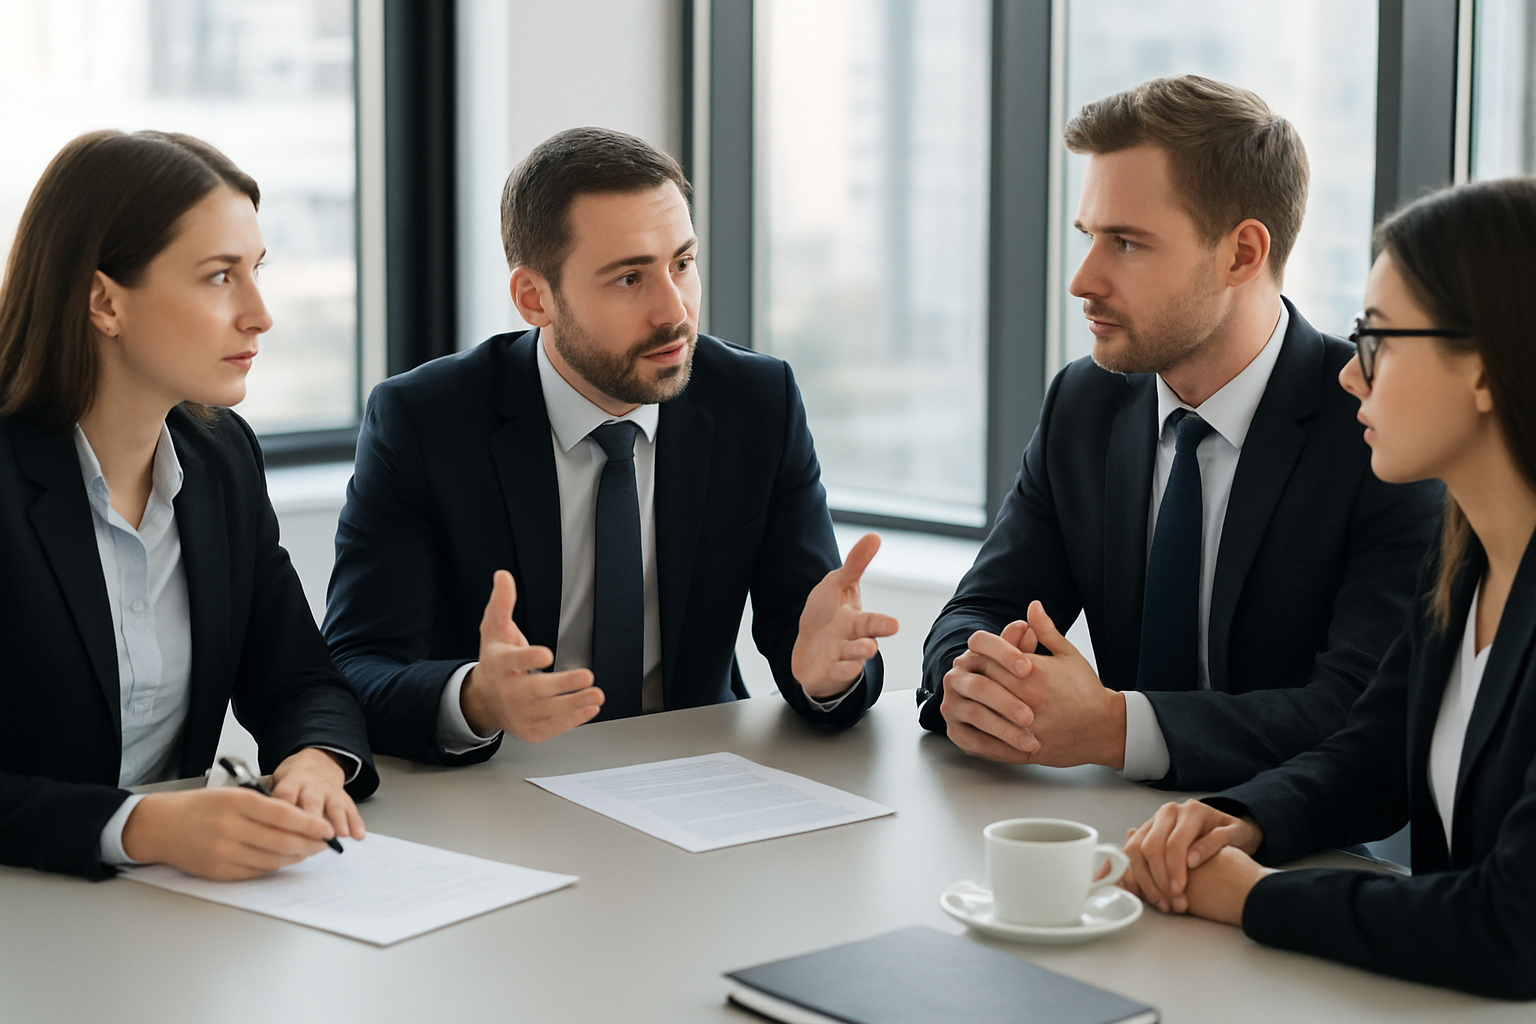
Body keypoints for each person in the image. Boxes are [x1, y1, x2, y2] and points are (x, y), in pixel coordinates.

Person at [918, 75, 1440, 790]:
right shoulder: (1084, 401)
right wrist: (978, 681)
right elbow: (982, 608)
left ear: (1242, 254)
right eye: (1089, 237)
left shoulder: (1377, 430)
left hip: (1299, 858)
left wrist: (1110, 725)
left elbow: (1356, 715)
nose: (1082, 279)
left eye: (1126, 243)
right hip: (1111, 839)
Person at [325, 127, 896, 766]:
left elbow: (813, 631)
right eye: (629, 279)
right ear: (533, 298)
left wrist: (831, 677)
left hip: (693, 780)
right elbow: (355, 665)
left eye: (682, 262)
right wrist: (474, 699)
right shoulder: (425, 420)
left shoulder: (756, 402)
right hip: (505, 791)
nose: (674, 311)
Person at [1117, 177, 1536, 1000]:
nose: (1351, 376)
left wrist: (1257, 897)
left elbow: (1511, 924)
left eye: (1377, 339)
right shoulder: (1465, 556)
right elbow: (1375, 754)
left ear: (1484, 369)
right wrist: (1244, 819)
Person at [0, 130, 379, 881]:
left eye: (256, 272)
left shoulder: (220, 458)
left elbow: (298, 678)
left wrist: (314, 760)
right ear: (103, 301)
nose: (260, 314)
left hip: (170, 911)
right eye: (218, 277)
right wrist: (137, 827)